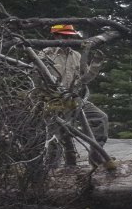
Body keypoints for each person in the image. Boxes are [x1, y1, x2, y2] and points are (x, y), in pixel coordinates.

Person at [42, 23, 108, 165]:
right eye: (65, 36)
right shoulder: (45, 55)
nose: (68, 40)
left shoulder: (77, 55)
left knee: (100, 118)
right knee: (56, 135)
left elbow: (85, 79)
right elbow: (38, 79)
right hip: (54, 101)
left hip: (74, 99)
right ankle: (52, 169)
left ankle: (96, 156)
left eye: (70, 37)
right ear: (56, 36)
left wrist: (96, 64)